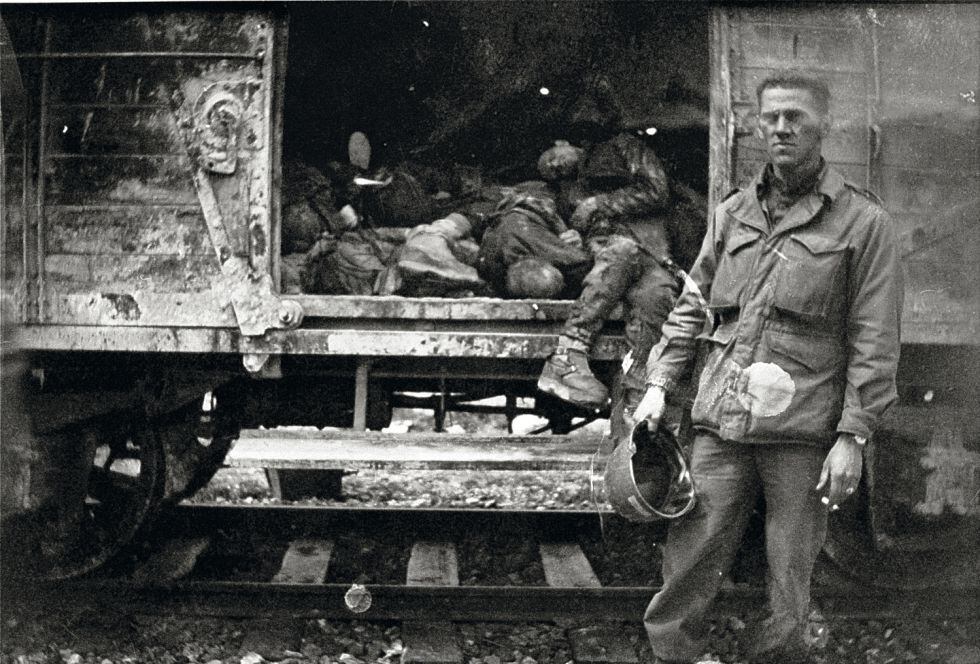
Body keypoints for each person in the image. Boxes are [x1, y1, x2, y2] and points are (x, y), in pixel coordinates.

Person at [632, 71, 903, 664]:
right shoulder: (731, 214)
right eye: (772, 117)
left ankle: (778, 653)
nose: (781, 128)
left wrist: (852, 436)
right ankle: (674, 655)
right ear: (757, 123)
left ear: (823, 126)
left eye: (796, 118)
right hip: (721, 423)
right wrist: (657, 385)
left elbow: (876, 340)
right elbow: (693, 307)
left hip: (802, 430)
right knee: (693, 550)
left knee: (791, 566)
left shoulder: (863, 224)